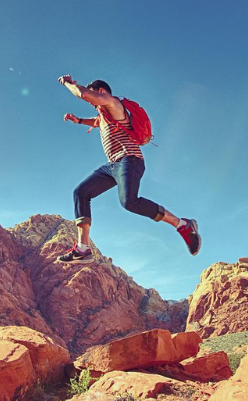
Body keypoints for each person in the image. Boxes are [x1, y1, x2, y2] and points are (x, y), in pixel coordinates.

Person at [56, 74, 200, 262]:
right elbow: (97, 121)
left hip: (129, 160)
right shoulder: (103, 115)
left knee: (129, 202)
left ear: (101, 92)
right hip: (112, 165)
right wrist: (80, 121)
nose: (93, 102)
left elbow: (84, 95)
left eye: (94, 96)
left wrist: (68, 83)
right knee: (81, 192)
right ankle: (83, 249)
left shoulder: (113, 102)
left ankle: (183, 224)